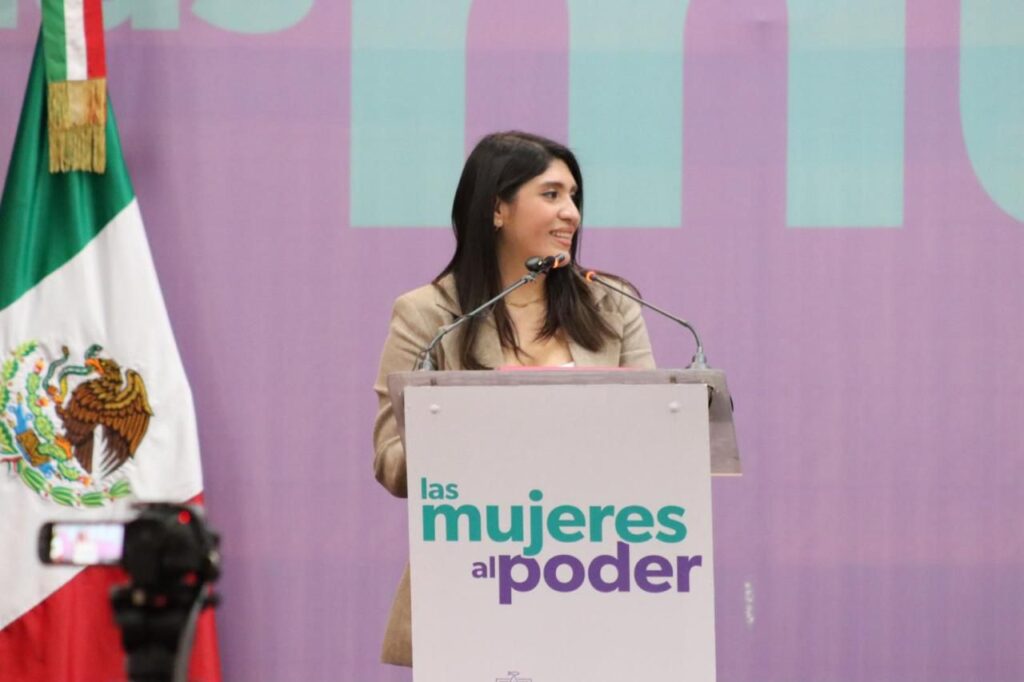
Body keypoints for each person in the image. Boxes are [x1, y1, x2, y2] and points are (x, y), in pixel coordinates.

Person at [372, 131, 656, 666]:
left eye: (573, 196)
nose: (571, 213)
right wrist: (464, 432)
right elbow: (392, 463)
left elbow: (655, 433)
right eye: (551, 194)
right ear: (497, 209)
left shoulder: (611, 305)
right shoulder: (428, 314)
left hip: (601, 575)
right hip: (476, 578)